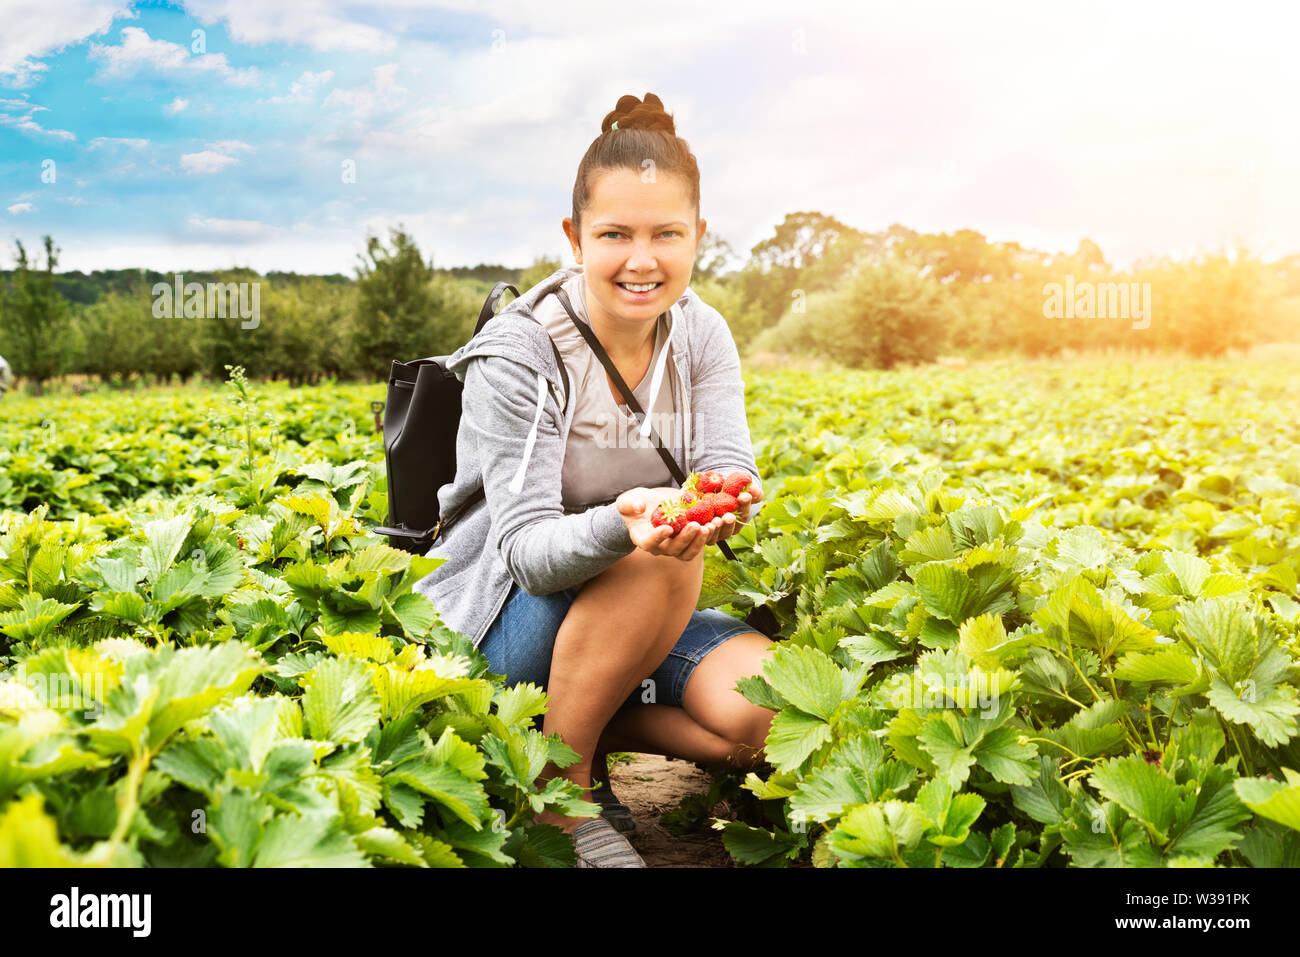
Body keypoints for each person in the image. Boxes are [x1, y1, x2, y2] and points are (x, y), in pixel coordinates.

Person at [413, 93, 776, 867]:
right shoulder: (522, 352)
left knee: (764, 718)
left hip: (630, 617)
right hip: (498, 624)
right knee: (650, 553)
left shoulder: (702, 332)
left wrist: (730, 497)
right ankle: (561, 796)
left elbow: (728, 461)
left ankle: (586, 722)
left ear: (698, 238)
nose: (641, 261)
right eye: (615, 234)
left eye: (666, 234)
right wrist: (624, 522)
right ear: (576, 239)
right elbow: (527, 556)